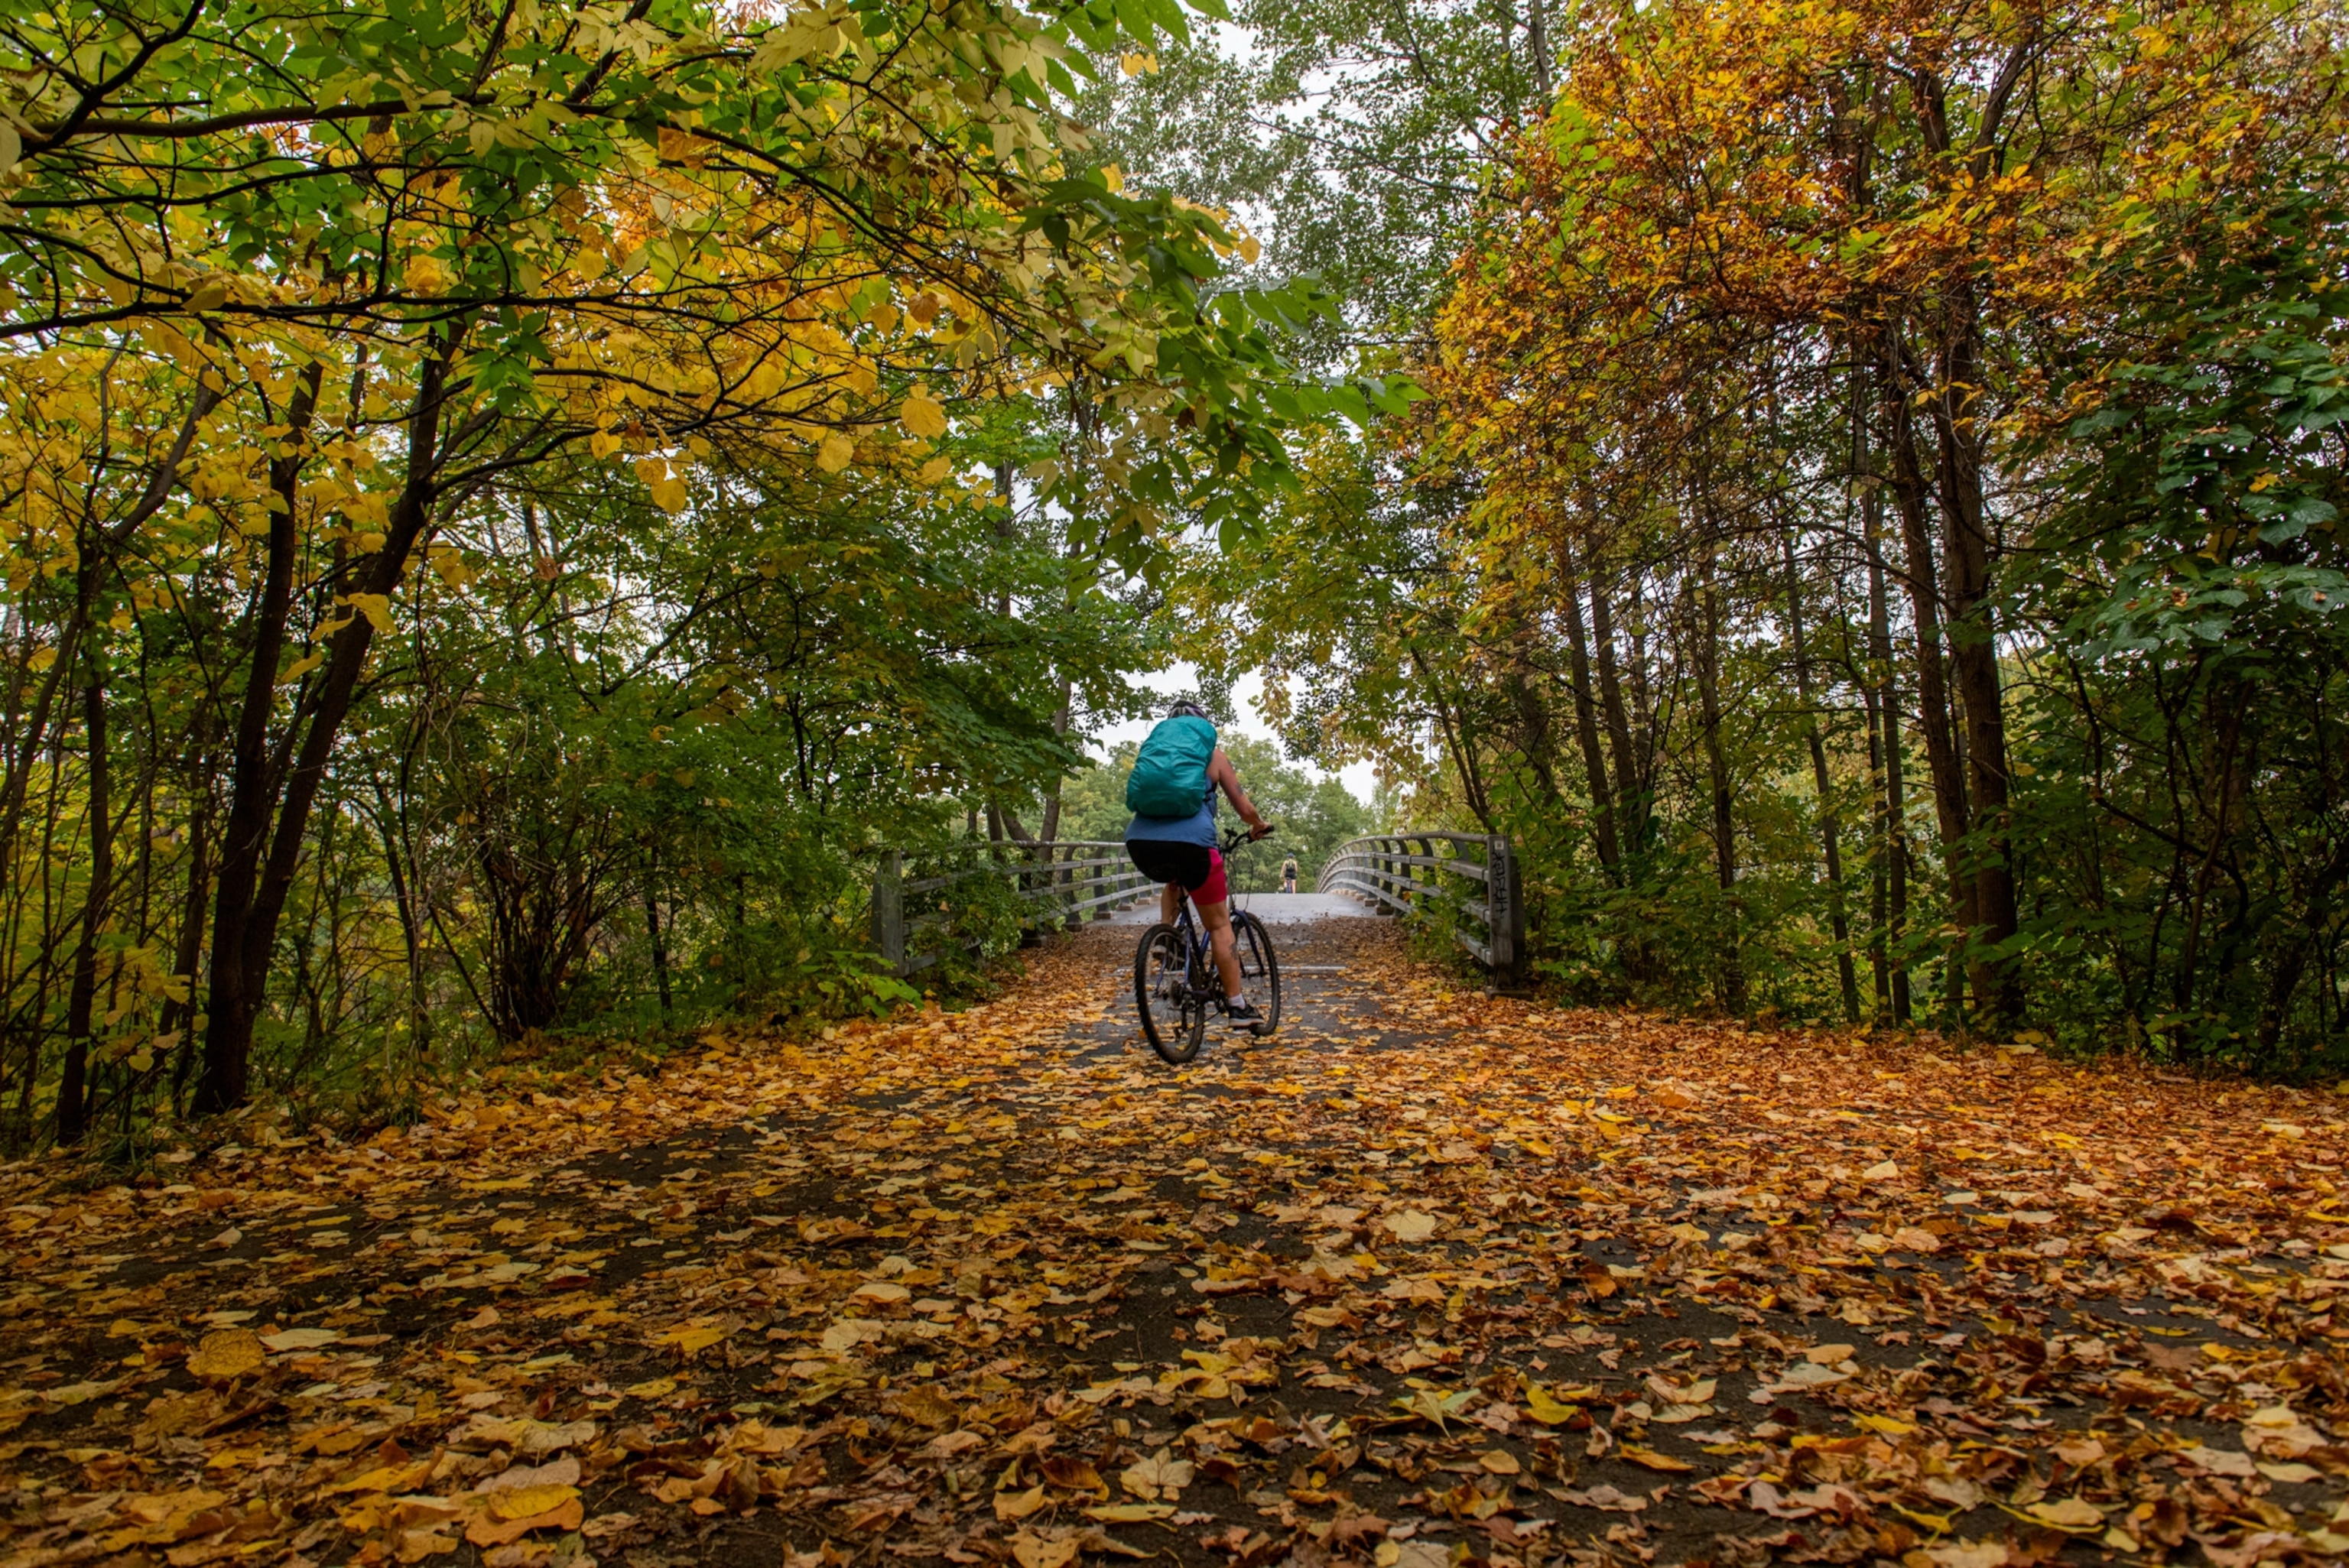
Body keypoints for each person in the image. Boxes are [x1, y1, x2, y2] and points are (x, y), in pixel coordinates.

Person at [1125, 701, 1270, 1025]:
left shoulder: (1156, 756)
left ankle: (1167, 937)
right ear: (1202, 728)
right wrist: (1257, 824)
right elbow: (1244, 808)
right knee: (1219, 924)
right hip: (1193, 845)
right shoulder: (1212, 756)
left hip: (1141, 844)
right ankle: (1237, 1006)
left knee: (1174, 880)